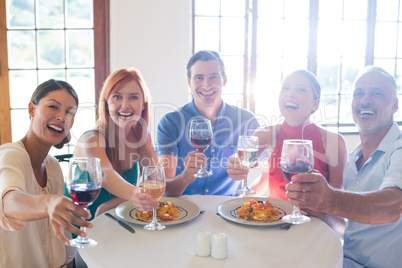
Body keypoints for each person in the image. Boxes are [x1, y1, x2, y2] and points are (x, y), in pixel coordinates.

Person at [286, 66, 402, 267]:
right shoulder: (353, 159)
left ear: (395, 105)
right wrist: (321, 211)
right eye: (358, 93)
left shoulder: (399, 149)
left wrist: (330, 199)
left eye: (377, 93)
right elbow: (348, 230)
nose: (365, 100)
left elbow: (394, 206)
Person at [0, 79, 92, 267]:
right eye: (53, 106)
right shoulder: (11, 155)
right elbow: (8, 202)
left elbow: (61, 238)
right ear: (32, 109)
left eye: (69, 112)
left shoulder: (53, 166)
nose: (61, 117)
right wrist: (49, 202)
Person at [227, 70, 347, 200]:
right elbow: (244, 157)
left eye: (300, 89)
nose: (290, 93)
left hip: (316, 219)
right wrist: (235, 165)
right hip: (274, 217)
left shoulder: (334, 142)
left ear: (315, 103)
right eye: (285, 88)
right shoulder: (267, 134)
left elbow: (337, 200)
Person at [157, 50, 260, 196]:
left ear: (224, 80)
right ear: (189, 82)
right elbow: (164, 191)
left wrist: (247, 199)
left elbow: (268, 172)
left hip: (227, 213)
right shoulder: (170, 123)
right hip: (183, 213)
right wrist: (186, 177)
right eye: (199, 78)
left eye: (213, 77)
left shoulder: (246, 121)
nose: (206, 85)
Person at [72, 68, 159, 218]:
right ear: (106, 103)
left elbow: (155, 180)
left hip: (120, 222)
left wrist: (110, 205)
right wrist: (135, 194)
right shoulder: (92, 139)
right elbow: (105, 175)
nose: (125, 105)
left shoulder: (142, 137)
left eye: (133, 97)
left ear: (143, 104)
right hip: (84, 228)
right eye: (117, 97)